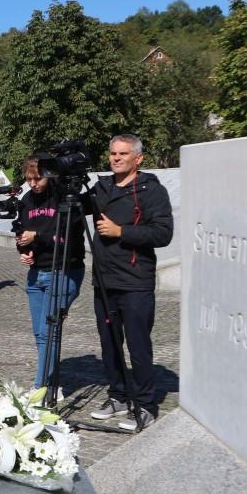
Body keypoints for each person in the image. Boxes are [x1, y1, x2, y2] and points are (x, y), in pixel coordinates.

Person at [84, 135, 173, 431]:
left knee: (138, 346)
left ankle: (146, 405)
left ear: (138, 159)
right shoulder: (103, 186)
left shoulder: (151, 191)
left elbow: (162, 234)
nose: (116, 158)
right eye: (112, 153)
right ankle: (118, 396)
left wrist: (121, 231)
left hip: (135, 282)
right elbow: (75, 207)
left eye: (123, 154)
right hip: (104, 282)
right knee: (109, 345)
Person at [12, 156, 85, 389]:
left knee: (48, 334)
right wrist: (23, 249)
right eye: (29, 179)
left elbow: (67, 237)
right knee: (39, 334)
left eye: (38, 178)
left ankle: (40, 390)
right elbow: (23, 232)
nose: (33, 184)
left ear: (49, 175)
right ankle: (51, 385)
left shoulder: (62, 198)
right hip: (36, 274)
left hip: (63, 271)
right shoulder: (26, 200)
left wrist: (38, 236)